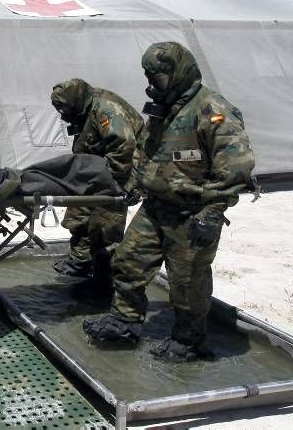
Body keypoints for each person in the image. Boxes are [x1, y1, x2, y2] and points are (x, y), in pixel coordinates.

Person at [82, 42, 255, 362]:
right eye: (148, 76)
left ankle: (189, 341)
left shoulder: (212, 111)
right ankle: (125, 321)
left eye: (157, 77)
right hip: (156, 206)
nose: (151, 84)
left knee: (187, 282)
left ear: (177, 72)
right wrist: (135, 181)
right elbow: (145, 149)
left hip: (193, 213)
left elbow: (236, 167)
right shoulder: (165, 107)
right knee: (128, 261)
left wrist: (213, 211)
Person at [49, 78, 144, 297]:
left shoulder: (106, 110)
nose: (62, 115)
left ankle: (104, 285)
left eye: (65, 109)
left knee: (104, 228)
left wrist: (113, 185)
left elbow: (124, 149)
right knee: (78, 214)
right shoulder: (84, 108)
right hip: (99, 168)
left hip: (123, 172)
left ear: (77, 102)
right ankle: (82, 262)